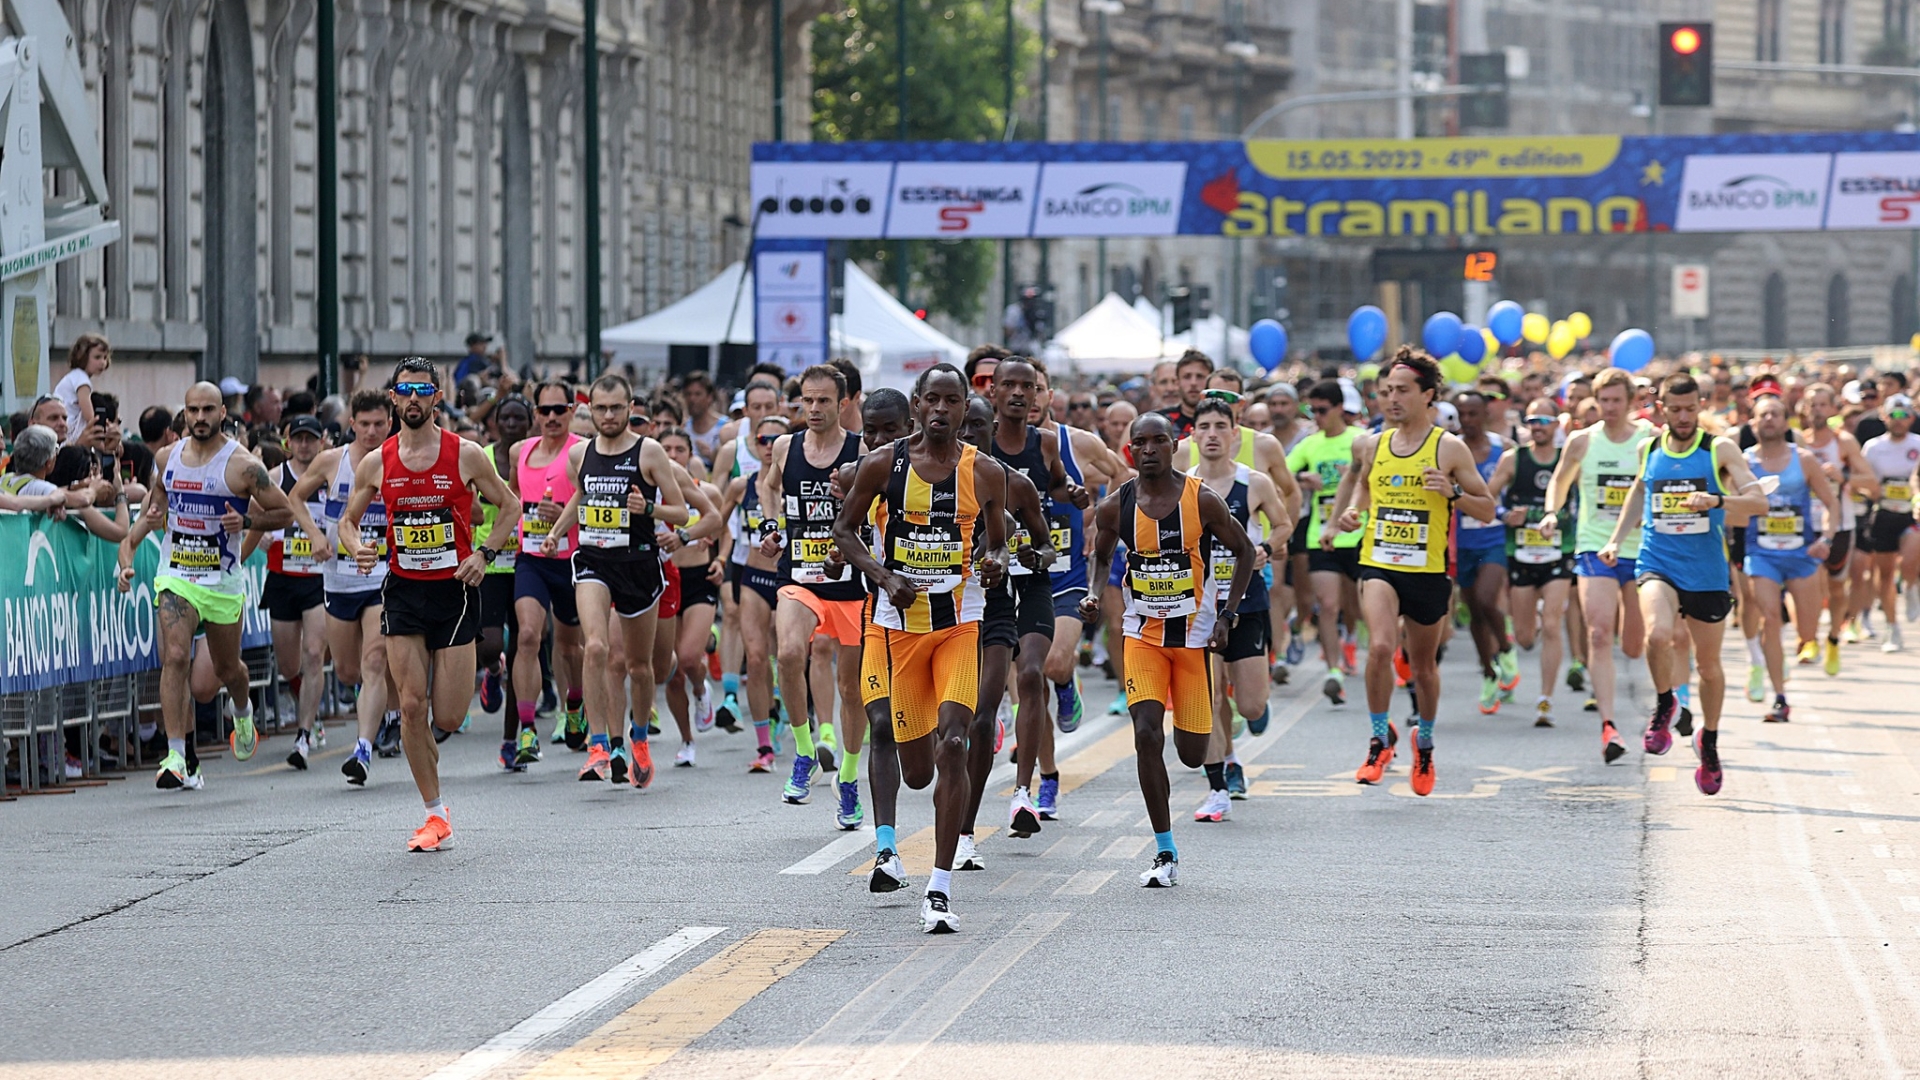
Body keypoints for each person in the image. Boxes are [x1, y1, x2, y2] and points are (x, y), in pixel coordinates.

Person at [834, 364, 1007, 933]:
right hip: (896, 626)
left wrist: (994, 562)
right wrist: (884, 577)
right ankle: (895, 840)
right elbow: (844, 530)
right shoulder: (884, 465)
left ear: (964, 408)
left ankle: (938, 886)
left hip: (960, 623)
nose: (940, 410)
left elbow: (1001, 545)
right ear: (916, 404)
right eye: (930, 399)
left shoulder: (984, 473)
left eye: (951, 401)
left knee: (954, 743)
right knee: (914, 769)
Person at [336, 358, 518, 848]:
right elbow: (347, 523)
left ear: (437, 398)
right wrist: (357, 547)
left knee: (449, 718)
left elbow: (510, 507)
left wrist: (485, 553)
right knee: (412, 707)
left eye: (422, 390)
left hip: (455, 589)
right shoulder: (377, 461)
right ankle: (435, 813)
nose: (412, 399)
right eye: (404, 391)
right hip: (403, 590)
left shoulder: (467, 454)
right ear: (393, 398)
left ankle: (486, 669)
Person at [1082, 411, 1255, 883]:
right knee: (1145, 734)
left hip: (1194, 640)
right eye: (1142, 442)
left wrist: (1227, 614)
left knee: (1192, 754)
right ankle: (1164, 849)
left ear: (1176, 446)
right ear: (1131, 450)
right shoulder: (1115, 506)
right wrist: (1095, 594)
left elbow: (1243, 552)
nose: (1151, 449)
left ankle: (1215, 730)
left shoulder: (1203, 501)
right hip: (1142, 637)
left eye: (1160, 440)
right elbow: (1100, 558)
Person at [1326, 348, 1497, 797]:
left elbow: (1488, 507)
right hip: (1379, 561)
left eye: (1402, 391)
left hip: (1428, 570)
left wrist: (1453, 491)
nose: (1391, 399)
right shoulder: (1371, 443)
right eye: (1386, 392)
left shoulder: (1449, 447)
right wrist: (1349, 515)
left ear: (1428, 396)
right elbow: (1363, 486)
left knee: (1423, 668)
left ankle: (1424, 742)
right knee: (1380, 646)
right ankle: (1379, 739)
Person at [116, 382, 293, 789]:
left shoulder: (243, 465)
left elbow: (284, 513)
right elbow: (150, 514)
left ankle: (243, 710)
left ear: (222, 413)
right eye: (193, 410)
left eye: (207, 410)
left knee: (227, 671)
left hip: (221, 582)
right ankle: (176, 754)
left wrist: (246, 522)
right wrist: (127, 557)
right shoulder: (168, 458)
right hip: (177, 574)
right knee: (175, 654)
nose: (199, 418)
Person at [1599, 373, 1767, 796]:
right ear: (1661, 409)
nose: (1684, 417)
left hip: (1707, 570)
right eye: (1675, 410)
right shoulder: (1649, 447)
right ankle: (1664, 703)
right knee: (1658, 636)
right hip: (1658, 560)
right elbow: (1639, 491)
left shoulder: (1719, 448)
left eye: (1691, 409)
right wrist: (1617, 539)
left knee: (1708, 667)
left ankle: (1708, 740)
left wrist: (1717, 501)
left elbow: (1759, 501)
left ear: (1701, 405)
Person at [535, 373, 687, 788]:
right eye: (600, 408)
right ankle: (599, 744)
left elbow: (682, 513)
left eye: (615, 408)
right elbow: (581, 497)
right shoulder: (579, 454)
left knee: (640, 667)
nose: (607, 415)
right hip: (593, 562)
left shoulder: (649, 452)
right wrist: (556, 532)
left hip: (638, 565)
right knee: (596, 646)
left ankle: (637, 738)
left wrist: (648, 509)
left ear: (629, 407)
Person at [758, 365, 870, 821]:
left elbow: (880, 511)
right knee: (788, 653)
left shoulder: (860, 450)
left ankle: (847, 776)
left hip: (848, 584)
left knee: (851, 687)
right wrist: (771, 528)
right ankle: (804, 752)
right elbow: (768, 490)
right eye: (807, 400)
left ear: (842, 402)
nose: (815, 408)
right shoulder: (785, 446)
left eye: (824, 400)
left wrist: (851, 510)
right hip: (799, 574)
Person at [285, 390, 400, 785]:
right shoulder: (331, 461)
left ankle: (362, 750)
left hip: (383, 578)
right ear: (352, 424)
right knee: (350, 671)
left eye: (379, 424)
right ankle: (383, 706)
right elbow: (295, 497)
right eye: (364, 424)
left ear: (390, 424)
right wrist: (316, 534)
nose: (371, 431)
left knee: (374, 661)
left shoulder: (399, 462)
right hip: (338, 580)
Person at [1540, 367, 1655, 761]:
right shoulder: (1581, 440)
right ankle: (1609, 725)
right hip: (1594, 546)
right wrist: (1551, 512)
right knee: (1599, 633)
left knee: (1636, 644)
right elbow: (1559, 480)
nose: (1608, 408)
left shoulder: (1649, 439)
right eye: (1603, 400)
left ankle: (1662, 701)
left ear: (1631, 402)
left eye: (1616, 401)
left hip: (1640, 549)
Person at [1189, 399, 1288, 820]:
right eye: (1204, 427)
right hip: (1198, 608)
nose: (1212, 433)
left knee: (1249, 706)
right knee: (1208, 697)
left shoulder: (1256, 483)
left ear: (1234, 434)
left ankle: (1246, 703)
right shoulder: (1184, 484)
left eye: (1220, 427)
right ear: (1193, 436)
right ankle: (1218, 788)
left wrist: (1265, 548)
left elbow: (1283, 524)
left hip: (1247, 602)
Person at [1741, 396, 1841, 723]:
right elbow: (1732, 507)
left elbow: (1832, 504)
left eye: (1775, 414)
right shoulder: (1743, 463)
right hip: (1762, 554)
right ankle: (1779, 696)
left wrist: (1826, 539)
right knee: (1770, 618)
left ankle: (1810, 645)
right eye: (1762, 415)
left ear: (1786, 422)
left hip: (1801, 554)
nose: (1769, 419)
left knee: (1807, 633)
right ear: (1753, 423)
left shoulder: (1805, 460)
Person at [242, 415, 331, 769]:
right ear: (287, 442)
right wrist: (261, 536)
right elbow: (251, 514)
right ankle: (308, 705)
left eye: (311, 438)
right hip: (282, 577)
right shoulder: (277, 478)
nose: (305, 445)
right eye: (299, 439)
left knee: (313, 655)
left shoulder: (330, 475)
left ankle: (303, 735)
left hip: (319, 578)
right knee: (289, 663)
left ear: (321, 441)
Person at [1487, 398, 1575, 727]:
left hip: (1558, 552)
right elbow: (1487, 496)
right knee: (1525, 638)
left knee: (1553, 625)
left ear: (1557, 425)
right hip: (1521, 553)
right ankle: (1530, 622)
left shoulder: (1569, 459)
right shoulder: (1514, 460)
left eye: (1544, 420)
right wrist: (1504, 514)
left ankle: (1545, 699)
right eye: (1532, 420)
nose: (1537, 426)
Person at [514, 381, 588, 747]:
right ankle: (527, 728)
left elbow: (590, 502)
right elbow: (516, 498)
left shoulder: (581, 452)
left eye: (560, 409)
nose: (553, 417)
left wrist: (561, 519)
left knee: (570, 647)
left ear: (572, 411)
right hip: (531, 558)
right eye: (545, 411)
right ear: (536, 414)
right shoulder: (522, 451)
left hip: (571, 559)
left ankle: (574, 702)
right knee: (528, 636)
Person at [711, 380, 783, 736]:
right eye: (755, 407)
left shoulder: (793, 451)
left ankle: (779, 695)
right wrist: (717, 551)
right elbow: (716, 507)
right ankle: (730, 697)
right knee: (735, 616)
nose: (762, 413)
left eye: (769, 405)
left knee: (777, 637)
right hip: (740, 554)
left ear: (780, 405)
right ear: (745, 410)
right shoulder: (733, 450)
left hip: (786, 566)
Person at [1289, 380, 1363, 705]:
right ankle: (1333, 671)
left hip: (1359, 534)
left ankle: (1352, 640)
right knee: (1328, 605)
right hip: (1322, 536)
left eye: (1321, 410)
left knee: (1356, 605)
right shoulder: (1310, 444)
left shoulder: (1358, 441)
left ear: (1338, 409)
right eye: (1311, 410)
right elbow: (1281, 474)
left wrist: (1356, 475)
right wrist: (1303, 479)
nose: (1316, 416)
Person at [1451, 391, 1520, 714]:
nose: (1468, 421)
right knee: (1473, 612)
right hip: (1461, 541)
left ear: (1486, 415)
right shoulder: (1448, 449)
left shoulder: (1503, 450)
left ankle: (1505, 649)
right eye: (1462, 414)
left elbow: (1512, 492)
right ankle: (1489, 673)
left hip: (1493, 536)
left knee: (1485, 597)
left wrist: (1508, 513)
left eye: (1473, 414)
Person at [1799, 383, 1875, 674]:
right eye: (1812, 405)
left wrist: (1842, 475)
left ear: (1833, 409)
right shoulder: (1798, 443)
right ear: (1804, 410)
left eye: (1822, 404)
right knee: (1810, 585)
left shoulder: (1843, 443)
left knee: (1835, 588)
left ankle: (1832, 637)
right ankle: (1809, 639)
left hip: (1840, 523)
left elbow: (1869, 480)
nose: (1817, 410)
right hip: (1807, 525)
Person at [476, 396, 532, 770]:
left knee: (523, 654)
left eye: (519, 418)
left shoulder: (534, 457)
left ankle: (511, 740)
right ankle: (491, 673)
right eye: (505, 418)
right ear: (495, 422)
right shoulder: (478, 456)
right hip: (488, 563)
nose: (511, 424)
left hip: (527, 562)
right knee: (490, 646)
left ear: (529, 423)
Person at [1857, 392, 1920, 652]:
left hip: (1911, 513)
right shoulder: (1873, 447)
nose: (1898, 420)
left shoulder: (1918, 443)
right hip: (1882, 513)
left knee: (1908, 560)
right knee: (1883, 575)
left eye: (1904, 415)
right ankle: (1892, 628)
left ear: (1912, 417)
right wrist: (1870, 491)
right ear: (1884, 417)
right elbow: (1863, 480)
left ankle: (1911, 584)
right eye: (1893, 415)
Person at [54, 334, 110, 445]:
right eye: (97, 357)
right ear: (83, 357)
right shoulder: (81, 380)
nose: (103, 362)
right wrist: (98, 428)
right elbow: (88, 413)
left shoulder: (74, 376)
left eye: (105, 357)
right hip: (70, 429)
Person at [1155, 350, 1211, 438]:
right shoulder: (1157, 422)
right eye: (1187, 377)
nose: (1193, 383)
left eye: (1200, 376)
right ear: (1177, 383)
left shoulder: (1224, 423)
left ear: (1211, 381)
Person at [682, 372, 725, 465]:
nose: (692, 399)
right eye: (688, 394)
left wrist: (712, 457)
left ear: (709, 397)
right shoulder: (683, 428)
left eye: (698, 394)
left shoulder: (725, 428)